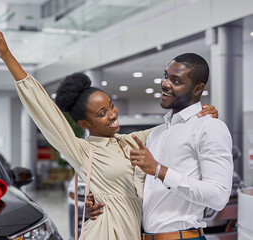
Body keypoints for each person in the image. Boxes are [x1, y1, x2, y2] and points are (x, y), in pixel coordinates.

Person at [0, 23, 218, 240]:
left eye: (111, 106)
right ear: (84, 124)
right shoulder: (82, 151)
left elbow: (173, 126)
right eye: (102, 113)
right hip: (106, 232)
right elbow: (46, 112)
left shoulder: (131, 141)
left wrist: (201, 112)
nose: (113, 115)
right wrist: (7, 56)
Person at [86, 53, 234, 240]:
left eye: (176, 80)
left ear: (198, 89)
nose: (165, 83)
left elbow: (218, 196)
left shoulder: (209, 127)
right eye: (166, 76)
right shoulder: (157, 134)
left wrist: (159, 170)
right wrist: (103, 202)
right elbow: (143, 192)